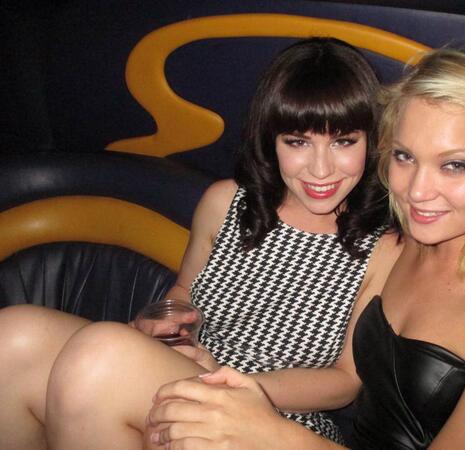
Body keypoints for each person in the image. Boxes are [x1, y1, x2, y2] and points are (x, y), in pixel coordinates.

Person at [144, 46, 465, 450]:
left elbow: (339, 383)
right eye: (404, 156)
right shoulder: (408, 244)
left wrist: (268, 430)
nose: (416, 191)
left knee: (111, 360)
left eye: (455, 165)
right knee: (107, 357)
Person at [0, 37, 401, 449]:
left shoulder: (383, 247)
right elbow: (184, 293)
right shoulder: (225, 202)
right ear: (272, 141)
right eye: (297, 141)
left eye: (343, 141)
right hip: (188, 372)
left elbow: (343, 382)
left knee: (100, 355)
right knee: (13, 335)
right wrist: (165, 325)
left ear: (373, 143)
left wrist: (236, 383)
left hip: (272, 417)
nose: (320, 168)